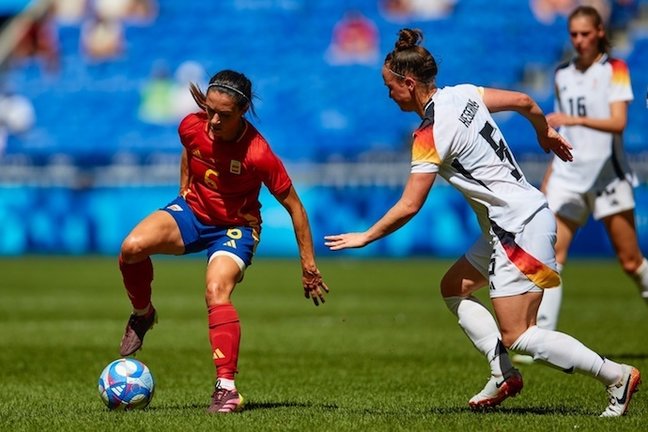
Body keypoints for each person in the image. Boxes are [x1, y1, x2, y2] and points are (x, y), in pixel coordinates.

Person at [325, 28, 640, 417]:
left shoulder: (429, 132)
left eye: (390, 87)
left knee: (519, 334)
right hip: (511, 221)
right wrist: (546, 133)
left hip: (516, 228)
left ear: (409, 83)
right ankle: (502, 374)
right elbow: (525, 100)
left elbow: (410, 205)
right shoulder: (462, 93)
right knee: (453, 287)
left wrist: (366, 236)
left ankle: (616, 376)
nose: (389, 95)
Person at [117, 69, 329, 414]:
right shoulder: (190, 125)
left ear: (242, 111)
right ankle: (143, 314)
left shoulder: (258, 153)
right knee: (131, 248)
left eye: (224, 115)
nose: (213, 121)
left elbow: (295, 207)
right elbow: (190, 149)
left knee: (216, 290)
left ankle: (226, 389)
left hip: (235, 227)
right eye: (209, 110)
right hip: (193, 212)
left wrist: (308, 266)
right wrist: (184, 188)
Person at [533, 5, 647, 336]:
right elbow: (561, 137)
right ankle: (543, 336)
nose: (580, 40)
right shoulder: (561, 74)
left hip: (607, 176)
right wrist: (549, 177)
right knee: (552, 255)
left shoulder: (616, 69)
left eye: (585, 33)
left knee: (630, 262)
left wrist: (574, 119)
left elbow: (618, 122)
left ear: (599, 32)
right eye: (574, 34)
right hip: (569, 176)